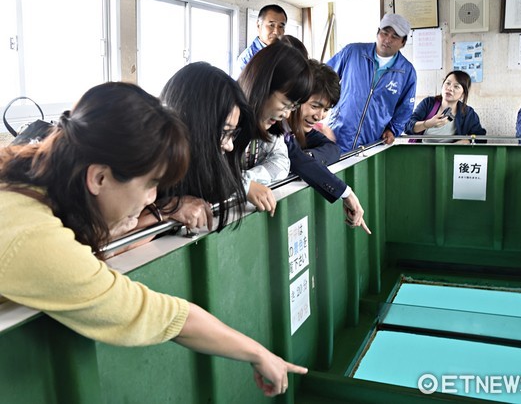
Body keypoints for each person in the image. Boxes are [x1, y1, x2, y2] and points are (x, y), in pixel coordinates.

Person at [0, 82, 306, 397]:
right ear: (99, 177)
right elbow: (152, 312)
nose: (153, 197)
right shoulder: (35, 239)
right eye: (151, 183)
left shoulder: (27, 178)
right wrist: (258, 353)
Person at [159, 62, 254, 232]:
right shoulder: (150, 169)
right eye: (224, 132)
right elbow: (107, 246)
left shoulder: (202, 173)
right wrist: (166, 210)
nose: (230, 146)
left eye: (233, 134)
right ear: (196, 126)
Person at [286, 59, 370, 233]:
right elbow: (295, 159)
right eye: (315, 106)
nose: (320, 116)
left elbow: (332, 149)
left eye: (326, 109)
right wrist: (346, 194)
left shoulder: (302, 128)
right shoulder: (276, 125)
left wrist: (309, 158)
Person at [237, 42, 313, 216]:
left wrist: (247, 180)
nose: (286, 115)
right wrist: (242, 186)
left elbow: (280, 162)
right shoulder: (225, 116)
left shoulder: (269, 124)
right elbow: (207, 172)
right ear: (264, 85)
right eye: (285, 104)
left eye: (292, 107)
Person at [326, 13, 417, 153]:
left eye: (395, 37)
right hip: (336, 135)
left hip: (371, 143)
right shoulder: (353, 52)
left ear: (403, 42)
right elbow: (324, 79)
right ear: (377, 33)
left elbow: (405, 109)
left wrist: (393, 130)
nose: (387, 40)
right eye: (384, 33)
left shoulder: (407, 72)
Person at [404, 70, 486, 144]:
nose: (450, 88)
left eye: (456, 86)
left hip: (449, 154)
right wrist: (428, 123)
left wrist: (467, 141)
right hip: (421, 151)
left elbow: (481, 137)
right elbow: (407, 127)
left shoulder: (468, 112)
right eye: (448, 83)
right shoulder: (428, 103)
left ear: (463, 94)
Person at [233, 4, 287, 79]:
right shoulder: (247, 59)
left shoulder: (286, 54)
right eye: (271, 25)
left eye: (281, 26)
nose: (276, 32)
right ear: (258, 25)